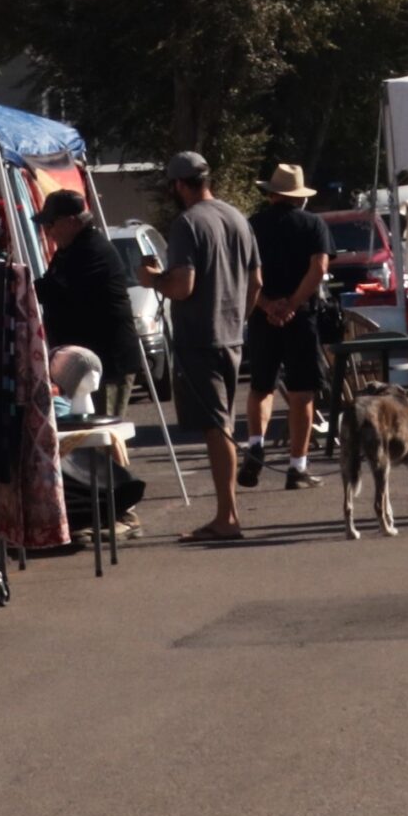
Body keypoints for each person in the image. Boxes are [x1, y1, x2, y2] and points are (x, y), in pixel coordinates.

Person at [138, 150, 262, 541]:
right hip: (232, 334)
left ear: (178, 185)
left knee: (217, 427)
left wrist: (152, 279)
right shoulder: (237, 217)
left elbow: (183, 285)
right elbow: (256, 281)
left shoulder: (187, 224)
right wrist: (238, 317)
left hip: (200, 337)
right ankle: (227, 514)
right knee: (221, 422)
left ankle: (228, 517)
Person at [240, 163, 332, 492]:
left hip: (261, 315)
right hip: (301, 316)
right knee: (301, 392)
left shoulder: (252, 226)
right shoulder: (313, 225)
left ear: (272, 194)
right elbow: (319, 267)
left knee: (261, 386)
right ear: (299, 197)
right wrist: (292, 304)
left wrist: (266, 305)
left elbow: (244, 273)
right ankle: (297, 467)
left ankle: (254, 443)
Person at [32, 189, 138, 420]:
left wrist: (22, 288)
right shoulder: (70, 250)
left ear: (71, 222)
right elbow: (49, 287)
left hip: (106, 364)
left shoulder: (92, 250)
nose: (47, 231)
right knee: (87, 431)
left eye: (50, 224)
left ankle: (114, 459)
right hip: (85, 361)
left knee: (103, 431)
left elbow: (54, 290)